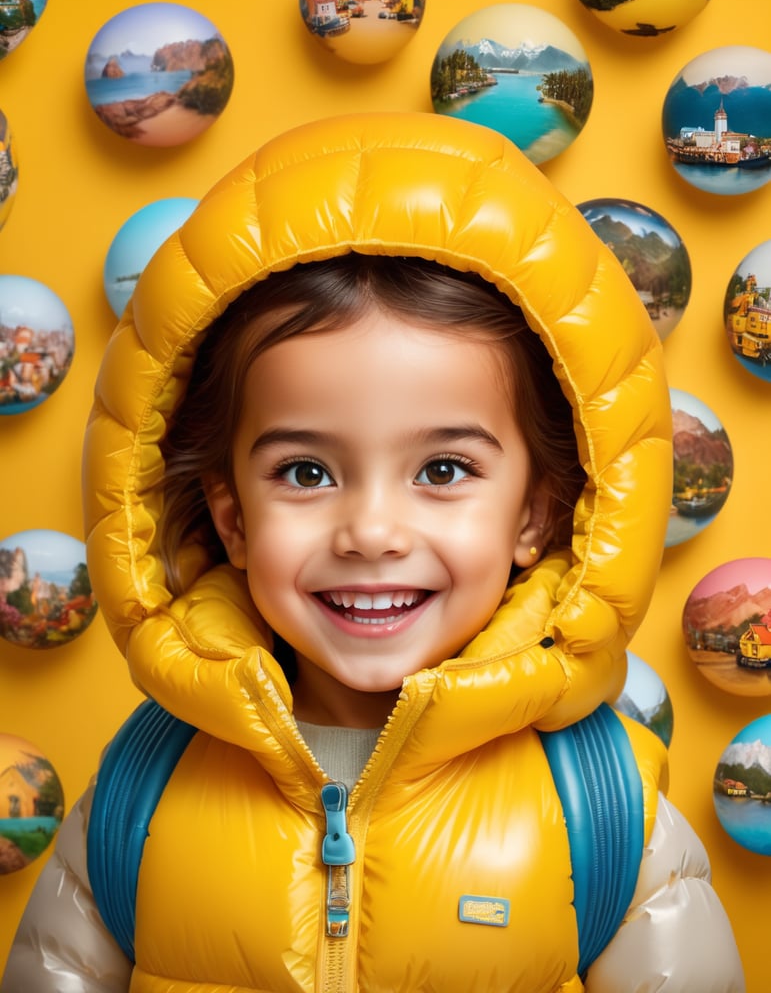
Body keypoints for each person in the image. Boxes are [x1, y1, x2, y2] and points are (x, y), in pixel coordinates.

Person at [1, 111, 745, 992]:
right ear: (231, 518)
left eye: (442, 467)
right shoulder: (138, 797)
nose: (371, 532)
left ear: (535, 517)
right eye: (307, 472)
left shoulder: (606, 810)